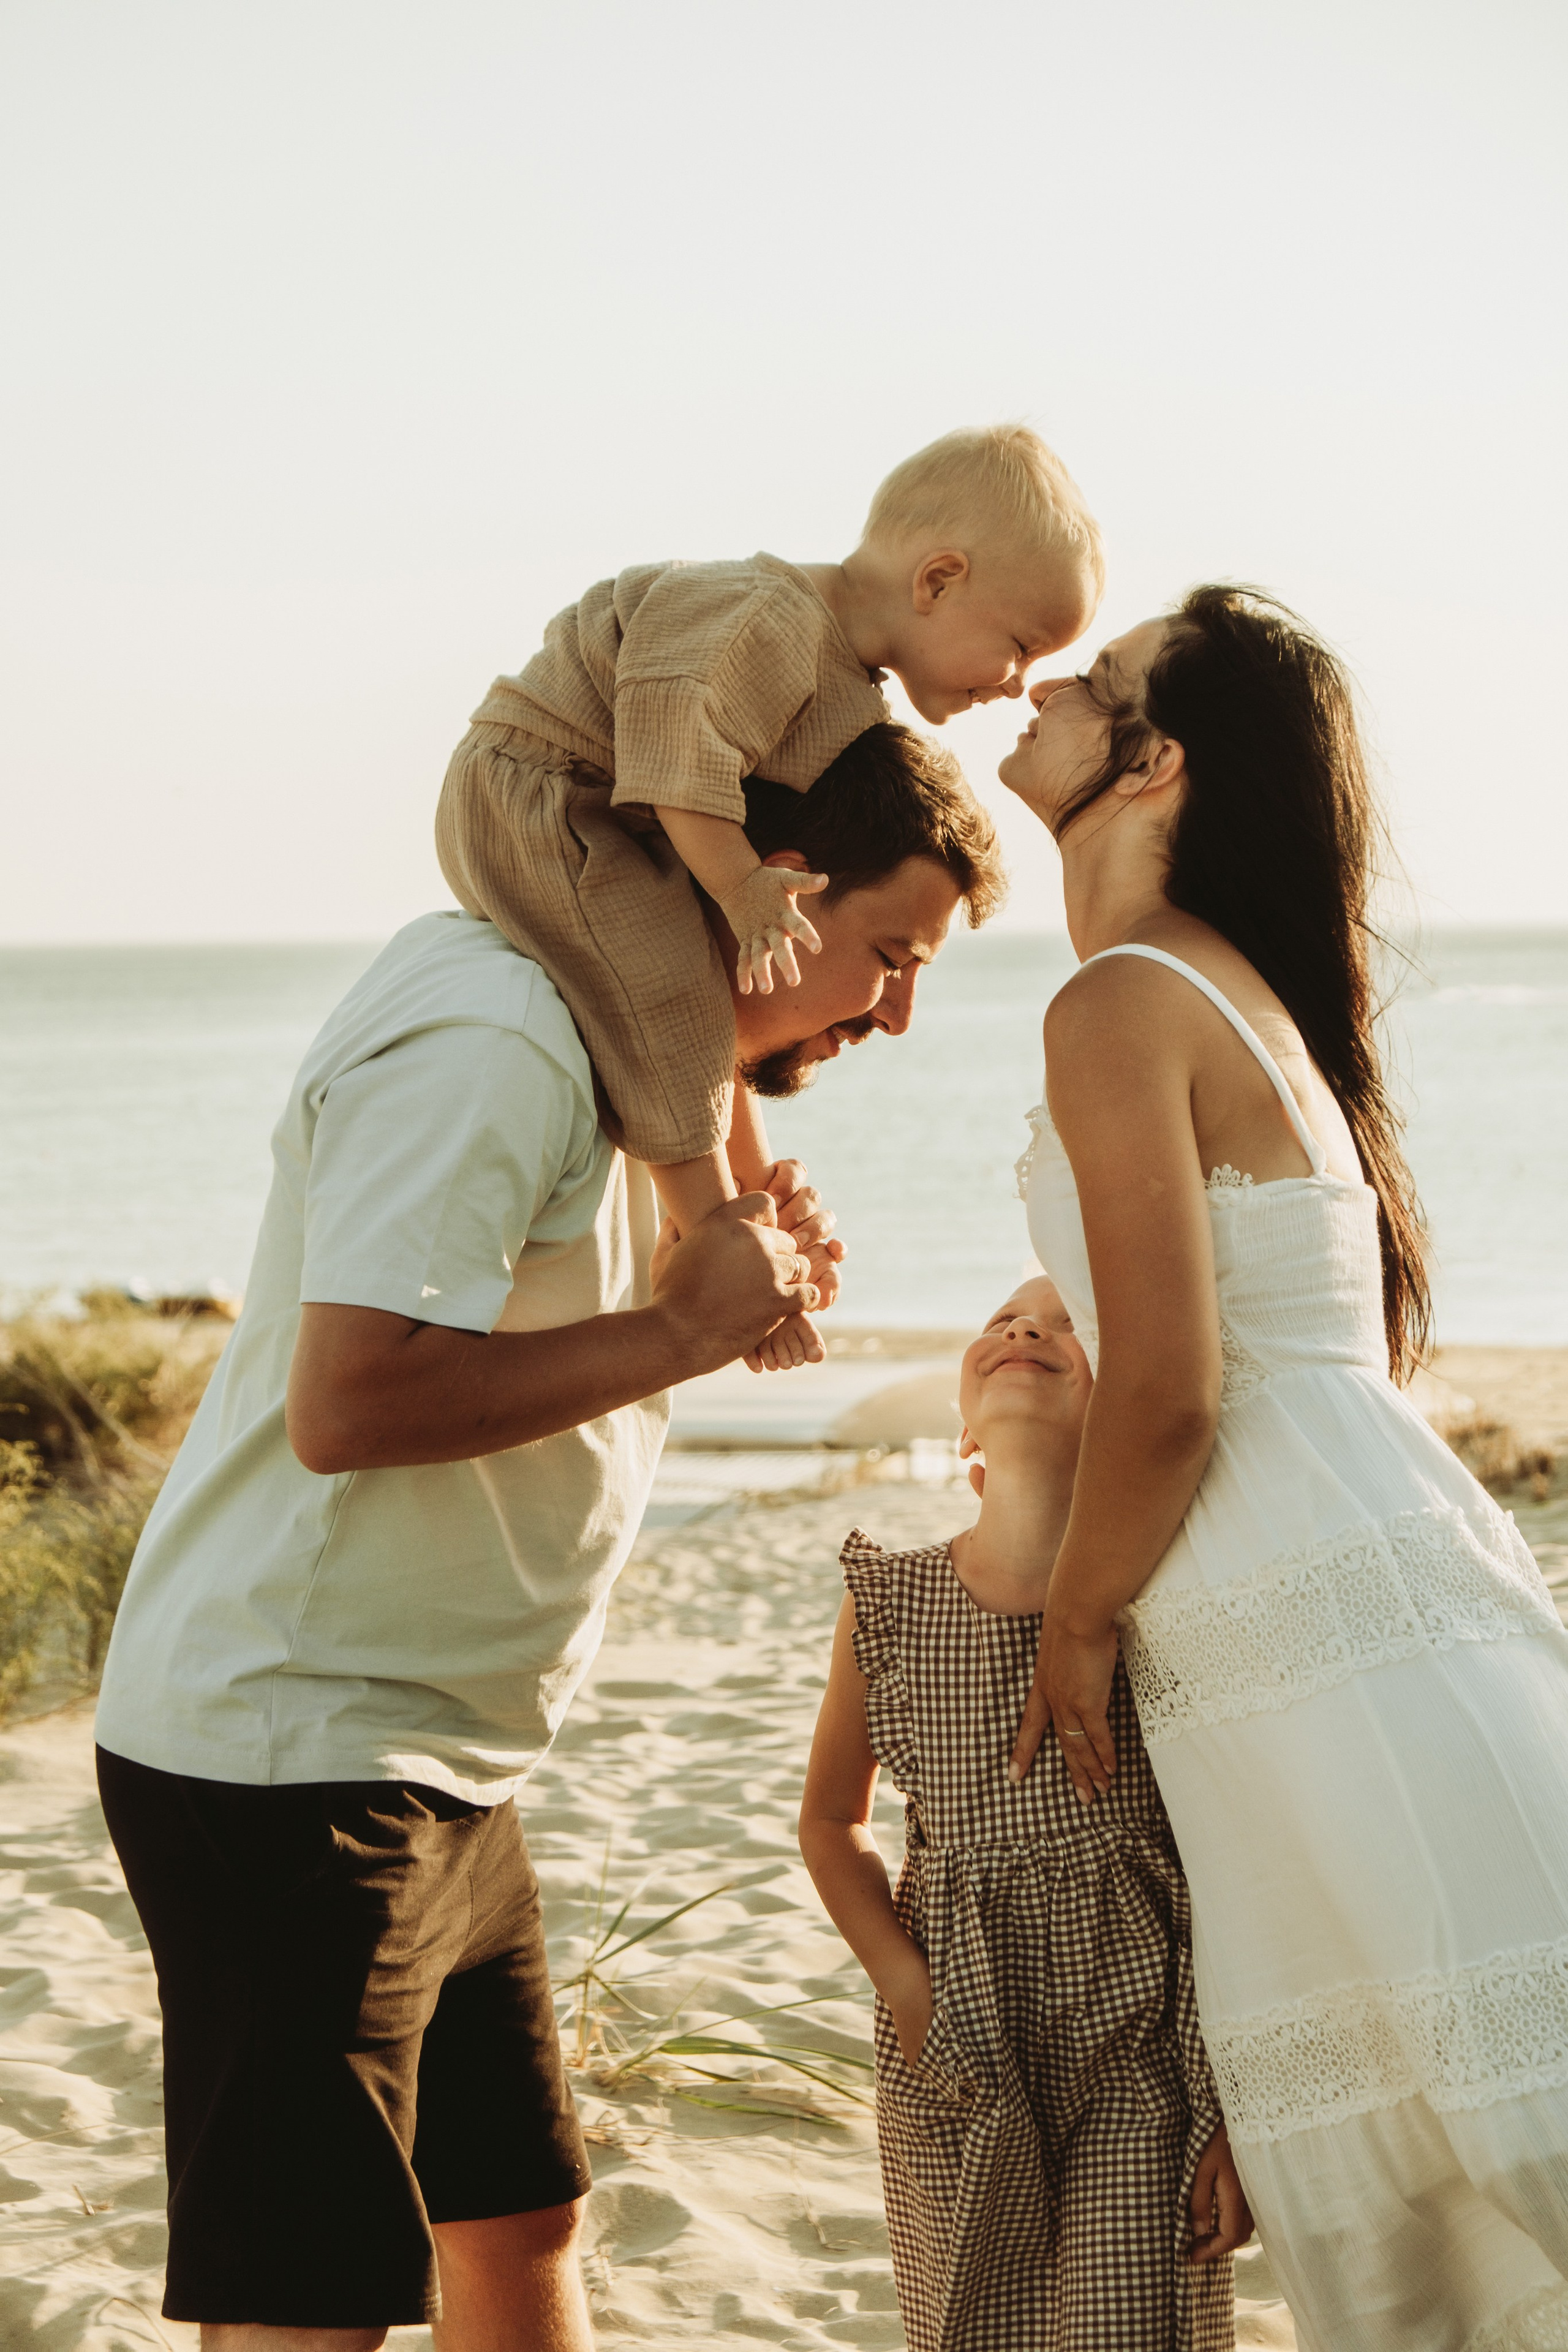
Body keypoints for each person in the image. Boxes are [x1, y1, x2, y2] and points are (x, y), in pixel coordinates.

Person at [92, 725, 1005, 2352]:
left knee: (518, 2227)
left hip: (439, 1753)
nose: (896, 1011)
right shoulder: (492, 1033)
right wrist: (683, 1336)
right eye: (888, 956)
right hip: (291, 1752)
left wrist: (720, 1284)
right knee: (314, 2303)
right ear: (781, 892)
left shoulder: (654, 1062)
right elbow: (350, 1401)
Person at [1004, 585, 1568, 2347]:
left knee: (1485, 2134)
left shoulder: (1122, 1001)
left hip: (1299, 1609)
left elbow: (1172, 1388)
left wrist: (1078, 1618)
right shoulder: (1226, 991)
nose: (1041, 688)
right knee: (1437, 2136)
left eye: (1091, 684)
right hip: (1328, 1585)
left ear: (1151, 763)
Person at [434, 424, 1101, 1314]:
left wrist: (759, 1188)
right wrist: (744, 887)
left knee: (682, 991)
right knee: (662, 987)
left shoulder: (849, 689)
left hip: (605, 812)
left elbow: (708, 1008)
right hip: (543, 795)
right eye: (1021, 646)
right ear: (938, 581)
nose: (1019, 684)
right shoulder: (773, 618)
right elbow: (676, 745)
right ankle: (716, 1249)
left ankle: (742, 1215)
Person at [799, 1275, 1250, 2351]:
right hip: (958, 2036)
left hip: (1141, 2041)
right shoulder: (891, 1603)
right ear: (963, 1425)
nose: (1022, 1329)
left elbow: (1239, 1852)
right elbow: (829, 1823)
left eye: (1063, 1324)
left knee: (1134, 2324)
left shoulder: (1166, 1602)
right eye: (1001, 1318)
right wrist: (909, 1989)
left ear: (1127, 1404)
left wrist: (1239, 2106)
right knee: (975, 2323)